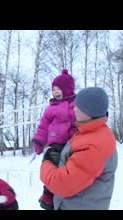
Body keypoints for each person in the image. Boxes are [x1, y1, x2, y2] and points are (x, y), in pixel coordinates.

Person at [40, 87, 118, 210]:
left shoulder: (93, 146)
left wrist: (46, 163)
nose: (74, 108)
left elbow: (62, 184)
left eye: (77, 106)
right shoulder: (89, 132)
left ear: (88, 112)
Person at [32, 69, 77, 210]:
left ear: (68, 89)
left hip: (73, 144)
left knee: (70, 171)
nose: (55, 92)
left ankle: (71, 195)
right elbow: (43, 127)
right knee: (53, 167)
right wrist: (39, 142)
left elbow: (86, 117)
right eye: (54, 89)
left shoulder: (76, 105)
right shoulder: (51, 109)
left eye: (59, 89)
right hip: (56, 144)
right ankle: (48, 195)